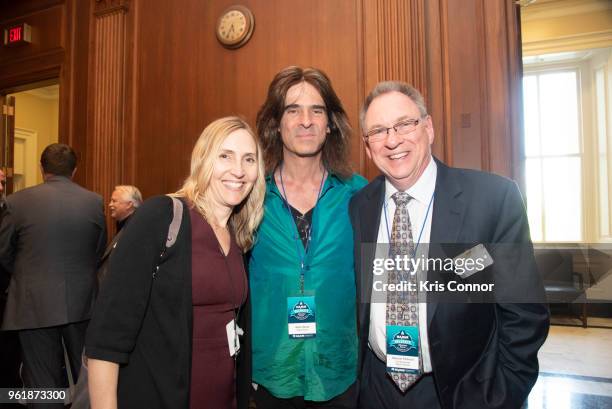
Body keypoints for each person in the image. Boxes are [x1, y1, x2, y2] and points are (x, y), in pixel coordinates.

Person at [349, 81, 550, 409]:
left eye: (405, 124)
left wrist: (501, 394)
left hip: (460, 392)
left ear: (428, 128)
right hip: (376, 389)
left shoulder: (493, 200)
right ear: (368, 146)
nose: (392, 139)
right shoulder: (360, 207)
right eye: (378, 130)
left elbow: (525, 314)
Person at [85, 116, 265, 409]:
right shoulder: (162, 216)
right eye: (225, 156)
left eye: (249, 159)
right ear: (203, 160)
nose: (238, 170)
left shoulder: (239, 236)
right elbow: (107, 337)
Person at [249, 66, 367, 408]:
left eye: (317, 110)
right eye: (292, 110)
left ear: (330, 123)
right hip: (271, 375)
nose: (306, 121)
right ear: (276, 123)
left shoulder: (360, 196)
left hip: (340, 376)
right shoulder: (251, 197)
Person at [0, 144, 106, 401]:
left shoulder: (16, 202)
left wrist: (28, 274)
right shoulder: (94, 201)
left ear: (41, 168)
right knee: (87, 379)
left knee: (42, 385)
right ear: (75, 170)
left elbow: (3, 252)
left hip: (33, 303)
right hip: (82, 303)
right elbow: (99, 249)